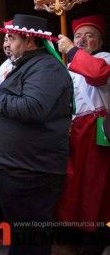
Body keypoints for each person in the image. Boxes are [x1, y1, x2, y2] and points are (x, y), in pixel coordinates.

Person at [0, 14, 73, 255]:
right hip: (15, 167)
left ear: (30, 40)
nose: (6, 43)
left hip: (31, 171)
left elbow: (33, 107)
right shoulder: (24, 65)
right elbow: (17, 102)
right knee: (21, 237)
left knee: (30, 240)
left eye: (11, 37)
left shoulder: (47, 67)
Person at [55, 15, 110, 243]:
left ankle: (96, 235)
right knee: (72, 182)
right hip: (74, 128)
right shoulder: (69, 65)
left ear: (100, 40)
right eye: (78, 36)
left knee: (94, 184)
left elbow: (97, 75)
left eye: (89, 36)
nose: (82, 40)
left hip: (97, 126)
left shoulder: (105, 58)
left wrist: (72, 49)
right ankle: (73, 231)